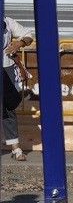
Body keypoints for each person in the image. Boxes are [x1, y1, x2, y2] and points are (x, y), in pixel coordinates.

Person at [1, 17, 34, 161]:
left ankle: (15, 148)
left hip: (6, 66)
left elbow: (28, 35)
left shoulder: (7, 21)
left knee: (8, 107)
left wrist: (18, 44)